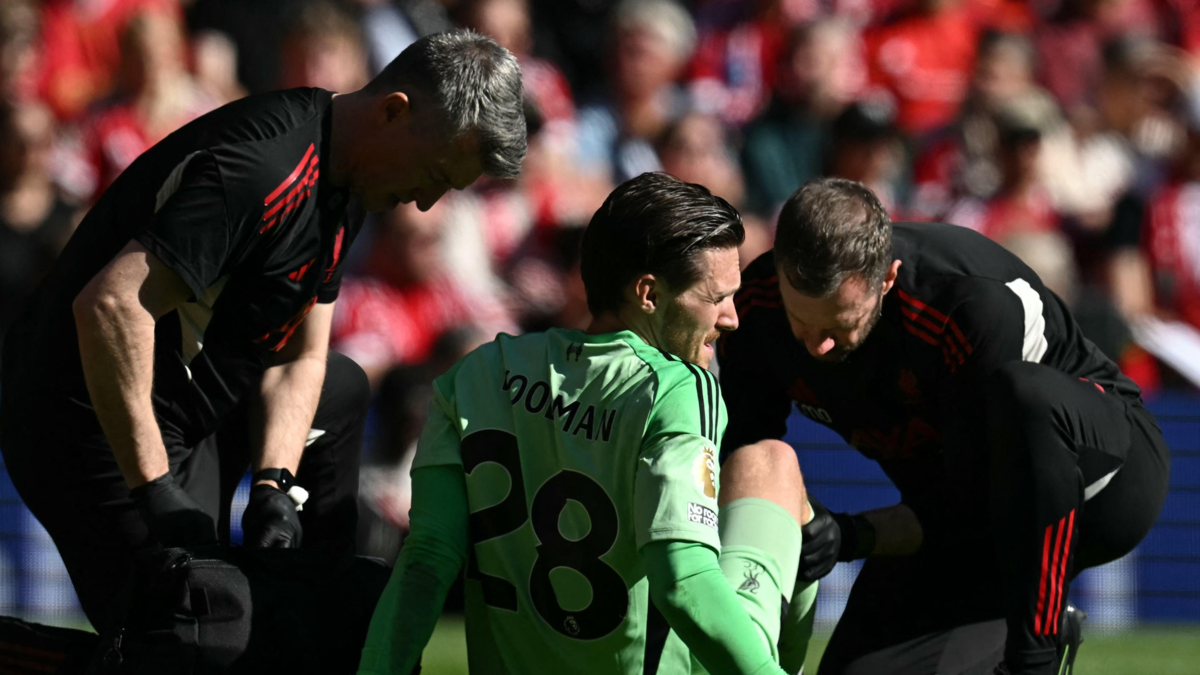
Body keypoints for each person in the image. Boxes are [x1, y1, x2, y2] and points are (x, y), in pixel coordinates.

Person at [0, 30, 527, 633]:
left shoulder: (354, 177)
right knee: (199, 629)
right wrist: (155, 488)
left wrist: (276, 485)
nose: (428, 204)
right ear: (392, 111)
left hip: (188, 405)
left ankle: (315, 610)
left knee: (342, 387)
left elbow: (303, 354)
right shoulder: (264, 169)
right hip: (84, 415)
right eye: (435, 173)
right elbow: (111, 306)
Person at [357, 172, 816, 675]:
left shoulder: (476, 373)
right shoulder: (678, 387)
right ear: (648, 293)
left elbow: (425, 563)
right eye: (716, 297)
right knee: (771, 463)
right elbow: (684, 584)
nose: (731, 318)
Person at [719, 178, 1170, 675]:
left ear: (887, 279)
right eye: (802, 321)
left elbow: (981, 499)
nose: (817, 348)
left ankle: (1034, 655)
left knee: (1028, 397)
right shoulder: (755, 308)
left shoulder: (968, 305)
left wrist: (852, 535)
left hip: (1100, 481)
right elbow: (742, 451)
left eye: (839, 324)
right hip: (958, 511)